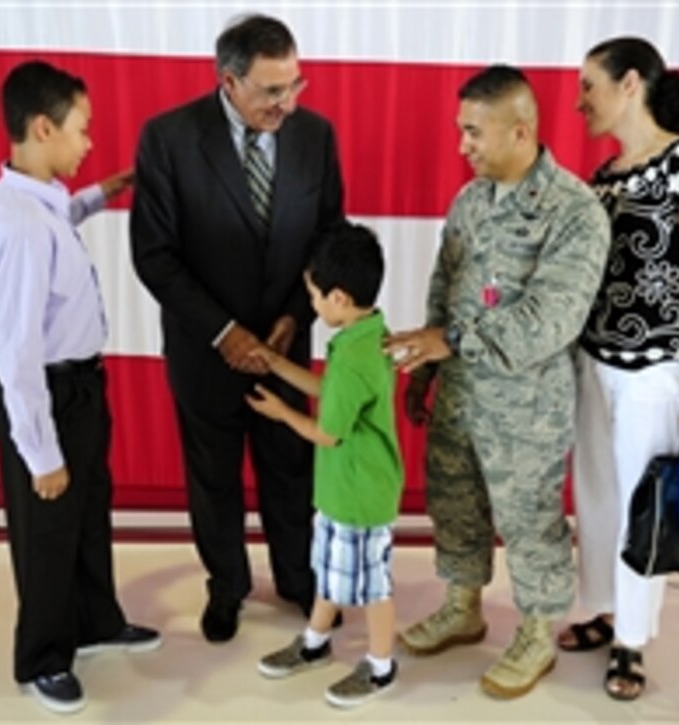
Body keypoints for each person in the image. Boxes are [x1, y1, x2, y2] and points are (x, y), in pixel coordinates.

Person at [383, 65, 611, 700]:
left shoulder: (574, 211)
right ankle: (464, 607)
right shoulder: (470, 200)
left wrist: (447, 343)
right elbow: (444, 287)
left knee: (529, 518)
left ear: (520, 131)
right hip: (459, 395)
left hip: (526, 409)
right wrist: (427, 365)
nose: (463, 146)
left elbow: (550, 320)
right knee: (455, 503)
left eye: (474, 133)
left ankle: (538, 630)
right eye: (461, 132)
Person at [130, 13, 345, 643]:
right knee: (214, 478)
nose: (288, 103)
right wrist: (226, 332)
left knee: (290, 469)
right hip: (206, 351)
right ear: (229, 82)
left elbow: (329, 236)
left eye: (295, 85)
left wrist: (291, 318)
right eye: (272, 91)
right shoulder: (168, 138)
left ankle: (298, 581)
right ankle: (226, 587)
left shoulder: (316, 136)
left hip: (285, 347)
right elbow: (155, 254)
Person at [0, 60, 160, 715]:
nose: (88, 142)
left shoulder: (41, 201)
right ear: (44, 127)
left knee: (87, 513)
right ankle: (44, 656)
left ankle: (95, 618)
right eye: (82, 130)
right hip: (44, 393)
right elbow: (15, 350)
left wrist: (101, 192)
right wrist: (40, 451)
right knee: (47, 524)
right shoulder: (20, 224)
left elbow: (62, 217)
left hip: (78, 387)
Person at [559, 36, 679, 701]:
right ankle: (602, 608)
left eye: (588, 86)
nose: (578, 102)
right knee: (598, 494)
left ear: (630, 83)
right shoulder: (606, 176)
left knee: (643, 502)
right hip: (594, 360)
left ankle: (632, 640)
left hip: (655, 366)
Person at [246, 224, 403, 709]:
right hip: (342, 489)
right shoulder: (364, 334)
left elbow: (327, 431)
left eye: (314, 296)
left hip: (360, 494)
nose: (311, 305)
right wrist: (276, 364)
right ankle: (316, 642)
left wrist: (281, 413)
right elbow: (329, 393)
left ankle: (381, 666)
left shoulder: (357, 356)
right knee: (332, 574)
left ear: (339, 297)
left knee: (372, 586)